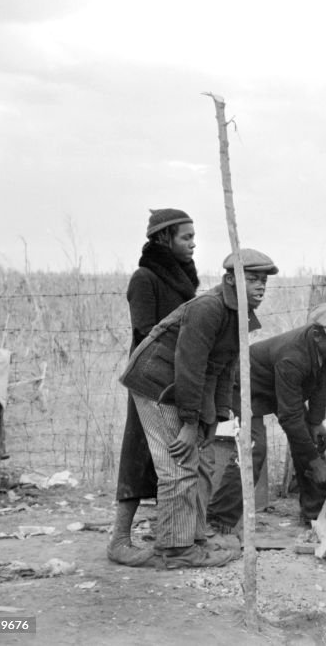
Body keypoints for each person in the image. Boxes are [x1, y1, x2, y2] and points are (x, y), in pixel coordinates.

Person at [119, 248, 277, 569]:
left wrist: (214, 417)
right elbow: (189, 366)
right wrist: (190, 424)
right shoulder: (209, 308)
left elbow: (222, 368)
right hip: (156, 382)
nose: (261, 286)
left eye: (264, 281)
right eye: (253, 279)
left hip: (182, 386)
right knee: (178, 465)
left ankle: (193, 538)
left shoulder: (237, 314)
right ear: (231, 279)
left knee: (202, 460)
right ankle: (176, 551)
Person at [207, 302, 326, 531]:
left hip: (278, 387)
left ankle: (314, 514)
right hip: (245, 386)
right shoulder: (293, 357)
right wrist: (315, 463)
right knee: (253, 448)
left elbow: (321, 383)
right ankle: (219, 520)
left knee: (312, 439)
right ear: (317, 335)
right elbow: (290, 417)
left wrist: (316, 421)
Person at [109, 209, 198, 567]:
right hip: (148, 377)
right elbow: (147, 331)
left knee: (167, 457)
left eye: (194, 237)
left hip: (175, 378)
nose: (193, 244)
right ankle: (118, 539)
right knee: (138, 453)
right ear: (165, 239)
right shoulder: (144, 278)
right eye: (186, 237)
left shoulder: (182, 277)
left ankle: (168, 534)